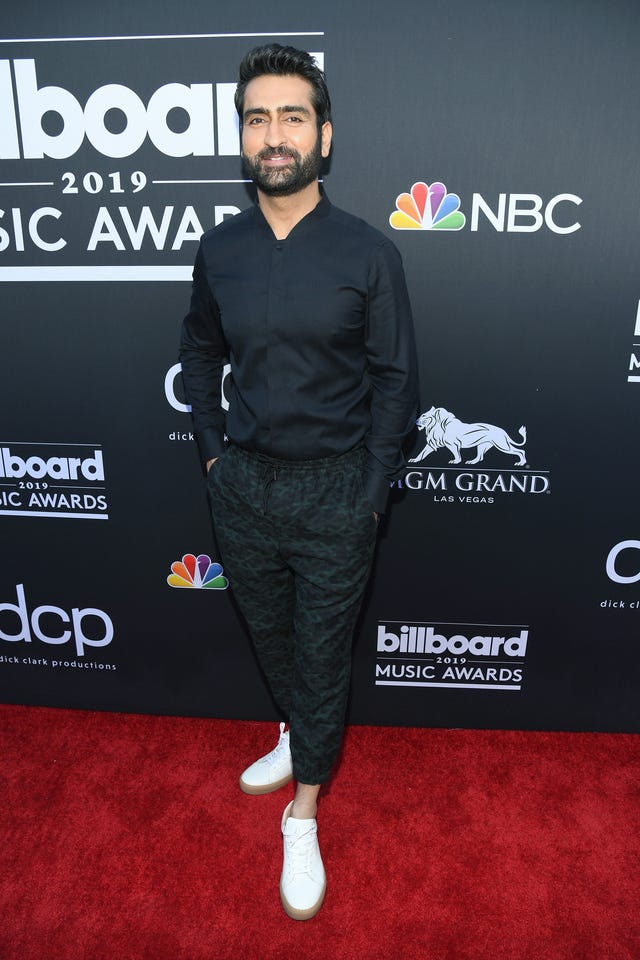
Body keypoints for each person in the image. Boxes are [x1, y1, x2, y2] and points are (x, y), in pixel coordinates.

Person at [180, 43, 419, 921]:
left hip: (337, 494)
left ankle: (304, 813)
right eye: (257, 118)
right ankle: (294, 737)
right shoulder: (219, 250)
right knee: (274, 641)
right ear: (242, 136)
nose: (273, 134)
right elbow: (198, 355)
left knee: (320, 660)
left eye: (291, 116)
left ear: (324, 134)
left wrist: (370, 495)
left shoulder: (368, 252)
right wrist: (214, 455)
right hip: (242, 489)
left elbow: (398, 382)